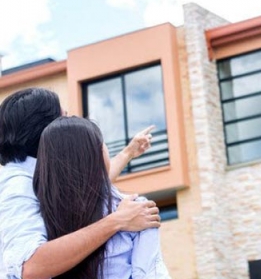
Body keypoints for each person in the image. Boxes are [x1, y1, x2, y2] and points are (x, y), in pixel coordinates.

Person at [0, 87, 161, 279]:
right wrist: (116, 221)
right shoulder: (16, 186)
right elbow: (30, 266)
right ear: (47, 131)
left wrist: (128, 153)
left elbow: (86, 186)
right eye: (63, 117)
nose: (69, 123)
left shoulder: (43, 172)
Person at [34, 116, 170, 278]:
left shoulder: (38, 215)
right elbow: (150, 273)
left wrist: (128, 152)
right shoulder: (136, 209)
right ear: (96, 154)